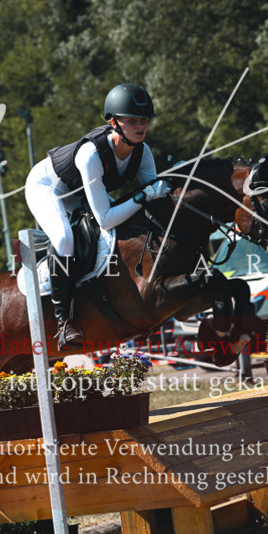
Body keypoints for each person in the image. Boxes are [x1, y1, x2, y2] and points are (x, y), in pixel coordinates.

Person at [25, 83, 171, 350]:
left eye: (144, 120)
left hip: (82, 191)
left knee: (128, 227)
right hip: (49, 187)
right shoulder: (91, 154)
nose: (141, 126)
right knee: (64, 238)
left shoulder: (143, 152)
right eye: (133, 120)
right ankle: (65, 322)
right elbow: (105, 218)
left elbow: (154, 200)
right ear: (113, 122)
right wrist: (143, 196)